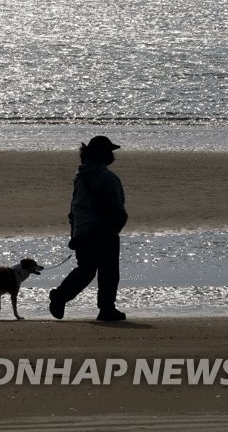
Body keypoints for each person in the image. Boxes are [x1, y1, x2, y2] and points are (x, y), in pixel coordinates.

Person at [49, 135, 128, 322]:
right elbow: (116, 207)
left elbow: (75, 208)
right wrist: (117, 225)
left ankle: (60, 296)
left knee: (85, 270)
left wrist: (75, 232)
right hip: (103, 231)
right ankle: (106, 309)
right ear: (104, 155)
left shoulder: (79, 176)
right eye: (109, 151)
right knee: (108, 272)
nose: (112, 154)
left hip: (82, 232)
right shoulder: (107, 178)